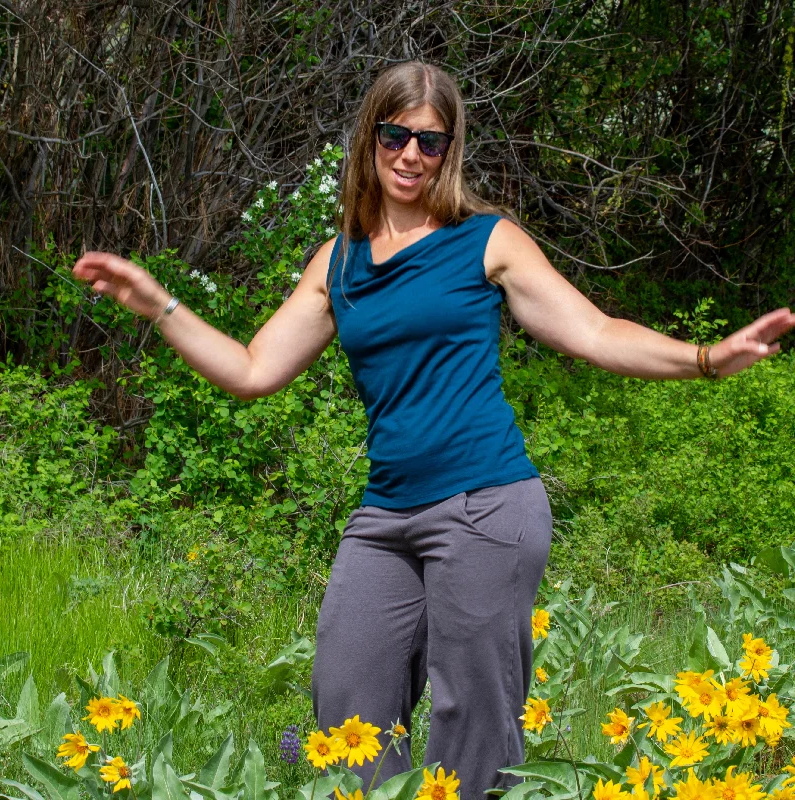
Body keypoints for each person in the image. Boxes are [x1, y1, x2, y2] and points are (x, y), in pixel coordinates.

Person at [72, 61, 794, 796]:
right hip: (385, 514)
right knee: (344, 704)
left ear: (449, 150)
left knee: (472, 724)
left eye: (430, 141)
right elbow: (253, 369)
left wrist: (706, 358)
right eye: (395, 135)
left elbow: (596, 333)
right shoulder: (338, 262)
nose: (410, 155)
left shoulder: (486, 241)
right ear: (370, 137)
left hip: (487, 507)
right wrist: (158, 304)